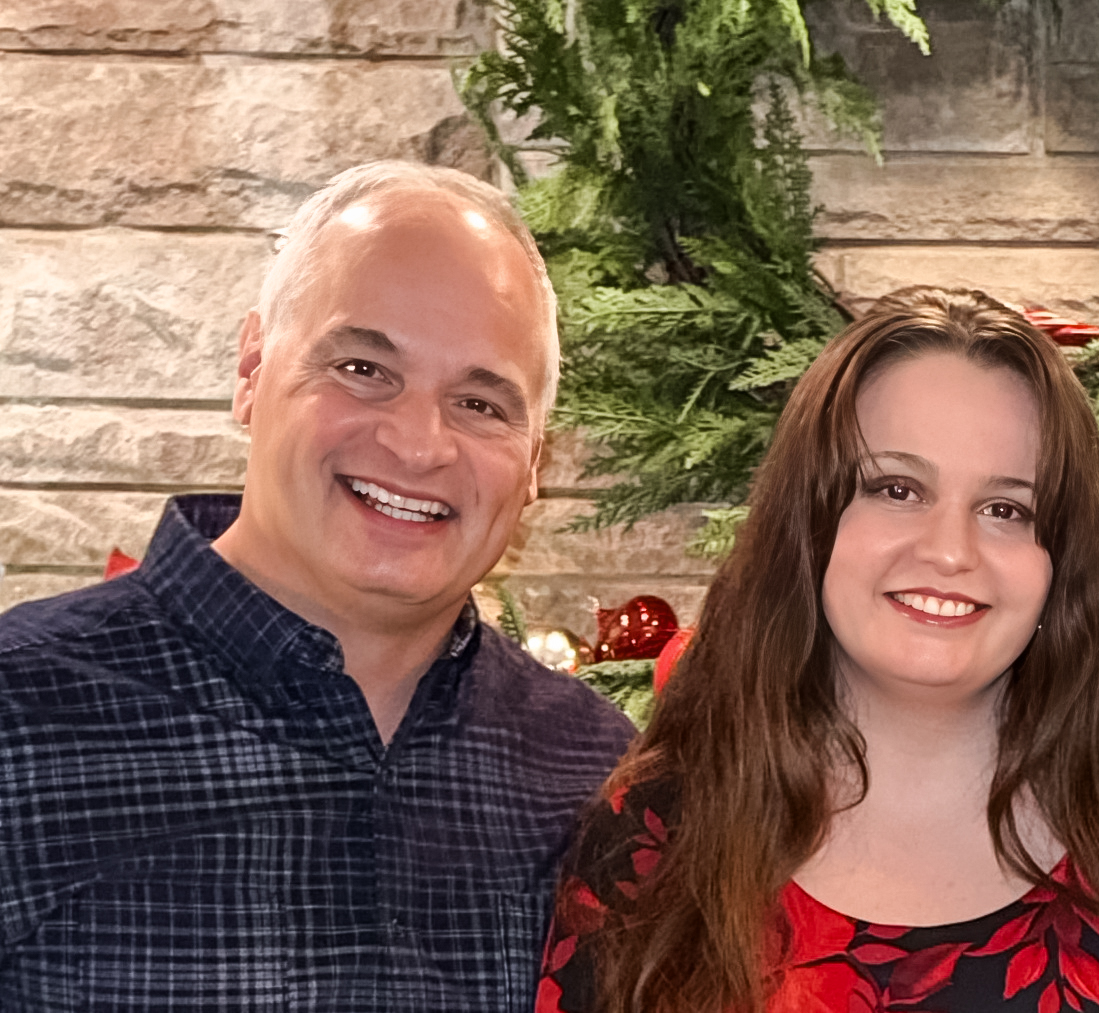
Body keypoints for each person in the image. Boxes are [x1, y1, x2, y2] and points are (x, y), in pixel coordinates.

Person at [536, 287, 1099, 1013]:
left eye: (1007, 508)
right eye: (896, 489)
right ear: (810, 525)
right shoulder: (657, 832)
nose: (951, 550)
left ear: (1063, 563)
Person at [0, 162, 635, 1012]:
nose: (418, 444)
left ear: (534, 468)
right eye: (364, 368)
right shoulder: (19, 716)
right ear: (252, 370)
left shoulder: (600, 773)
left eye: (482, 403)